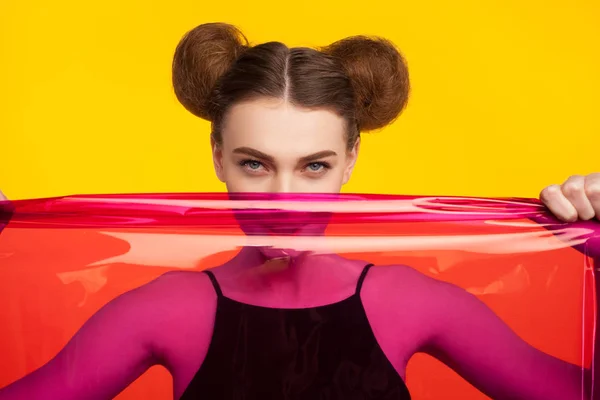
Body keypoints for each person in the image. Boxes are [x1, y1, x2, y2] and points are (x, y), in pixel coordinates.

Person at [0, 22, 599, 400]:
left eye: (314, 165)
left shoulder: (412, 301)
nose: (285, 198)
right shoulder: (159, 310)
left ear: (351, 159)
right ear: (216, 157)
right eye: (255, 164)